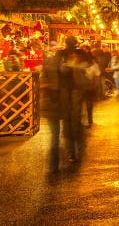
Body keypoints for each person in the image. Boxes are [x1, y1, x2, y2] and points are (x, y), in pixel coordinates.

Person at [39, 42, 69, 173]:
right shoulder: (62, 70)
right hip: (58, 105)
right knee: (58, 134)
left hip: (48, 105)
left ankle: (54, 163)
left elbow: (43, 85)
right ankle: (55, 162)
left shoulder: (47, 69)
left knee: (55, 134)